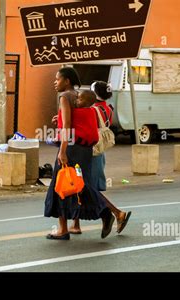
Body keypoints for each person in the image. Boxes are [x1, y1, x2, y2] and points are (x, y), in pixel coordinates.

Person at [44, 67, 115, 240]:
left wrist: (62, 151)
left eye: (57, 79)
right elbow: (74, 120)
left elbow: (67, 126)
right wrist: (59, 119)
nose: (55, 82)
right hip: (84, 149)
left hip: (71, 148)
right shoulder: (78, 96)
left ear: (66, 81)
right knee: (80, 184)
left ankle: (65, 229)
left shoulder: (64, 97)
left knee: (60, 186)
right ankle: (104, 213)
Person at [69, 81, 132, 235]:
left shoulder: (92, 110)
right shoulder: (108, 108)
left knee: (86, 187)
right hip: (100, 152)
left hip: (90, 152)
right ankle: (76, 223)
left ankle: (117, 213)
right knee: (84, 188)